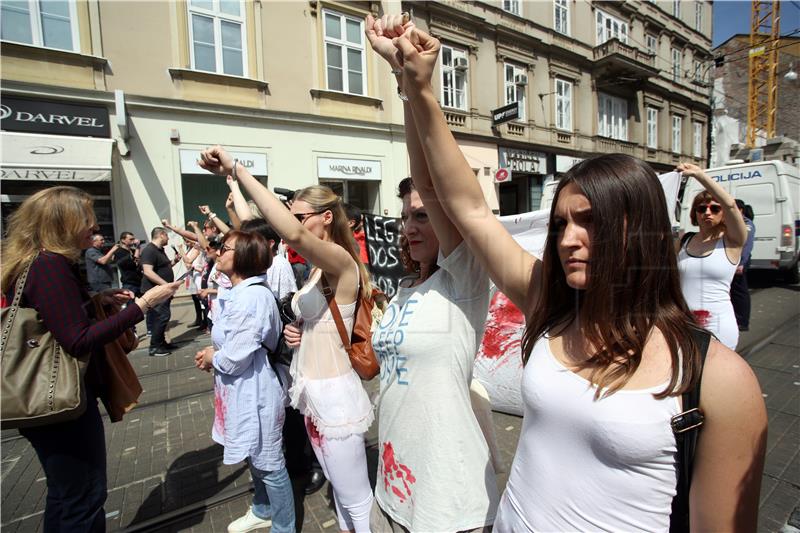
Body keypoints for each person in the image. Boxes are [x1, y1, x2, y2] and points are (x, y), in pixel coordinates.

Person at [381, 18, 766, 531]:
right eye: (561, 222)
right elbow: (468, 209)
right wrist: (419, 87)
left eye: (591, 222)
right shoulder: (553, 302)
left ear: (643, 232)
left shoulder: (719, 379)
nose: (566, 239)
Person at [199, 147, 374, 533]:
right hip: (310, 391)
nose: (291, 225)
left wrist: (237, 170)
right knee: (341, 495)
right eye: (292, 216)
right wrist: (300, 330)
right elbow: (319, 319)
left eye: (300, 216)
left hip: (335, 396)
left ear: (326, 218)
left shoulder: (342, 260)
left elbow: (287, 232)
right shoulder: (315, 269)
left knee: (357, 499)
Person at [0, 186, 180, 533]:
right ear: (62, 223)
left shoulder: (38, 262)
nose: (94, 227)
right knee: (81, 498)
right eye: (86, 220)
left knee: (67, 495)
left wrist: (96, 300)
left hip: (49, 404)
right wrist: (142, 306)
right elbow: (78, 339)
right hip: (59, 405)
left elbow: (58, 318)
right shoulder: (50, 266)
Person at [194, 230, 295, 533]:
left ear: (242, 257)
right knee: (255, 455)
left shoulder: (251, 297)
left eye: (224, 248)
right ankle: (263, 509)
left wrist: (213, 356)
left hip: (256, 391)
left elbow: (235, 358)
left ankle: (284, 526)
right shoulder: (238, 291)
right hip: (242, 391)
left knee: (270, 462)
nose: (218, 252)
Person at [677, 169, 748, 350]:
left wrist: (699, 176)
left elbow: (731, 205)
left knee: (713, 376)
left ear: (723, 213)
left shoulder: (732, 241)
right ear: (695, 214)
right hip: (683, 326)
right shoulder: (684, 241)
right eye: (701, 209)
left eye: (715, 208)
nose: (707, 212)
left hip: (718, 328)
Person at [140, 226, 182, 357]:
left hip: (163, 291)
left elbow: (163, 267)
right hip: (156, 291)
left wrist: (175, 261)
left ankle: (161, 343)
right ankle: (155, 347)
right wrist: (166, 286)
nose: (168, 238)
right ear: (161, 235)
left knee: (163, 316)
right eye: (167, 236)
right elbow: (147, 271)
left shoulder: (159, 250)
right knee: (162, 316)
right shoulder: (149, 250)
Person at [730, 199, 755, 331]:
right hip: (735, 261)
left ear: (740, 210)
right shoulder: (735, 223)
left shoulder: (746, 225)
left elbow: (746, 247)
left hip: (740, 262)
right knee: (734, 291)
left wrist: (741, 264)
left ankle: (742, 322)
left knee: (740, 292)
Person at [114, 232, 143, 297]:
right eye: (130, 239)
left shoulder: (133, 251)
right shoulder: (119, 252)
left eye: (133, 239)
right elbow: (133, 263)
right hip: (129, 283)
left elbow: (139, 262)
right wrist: (137, 248)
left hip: (139, 281)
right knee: (131, 305)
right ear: (123, 240)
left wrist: (138, 249)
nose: (133, 241)